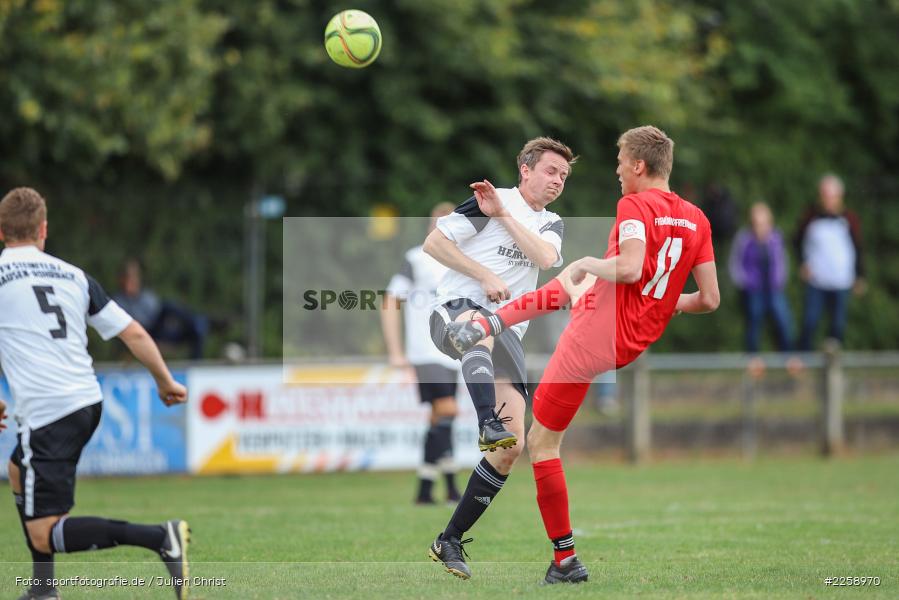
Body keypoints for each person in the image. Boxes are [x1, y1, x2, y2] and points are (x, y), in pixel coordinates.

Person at [448, 126, 720, 583]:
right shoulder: (698, 218)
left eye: (619, 162)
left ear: (638, 165)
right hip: (631, 342)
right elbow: (709, 299)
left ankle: (566, 560)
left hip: (595, 338)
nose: (616, 171)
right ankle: (487, 323)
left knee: (540, 444)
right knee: (571, 288)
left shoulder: (634, 203)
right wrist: (661, 301)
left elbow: (631, 267)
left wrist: (588, 262)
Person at [0, 188, 190, 600]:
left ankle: (161, 537)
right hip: (86, 401)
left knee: (45, 533)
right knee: (18, 470)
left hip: (50, 413)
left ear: (1, 232)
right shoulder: (74, 276)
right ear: (43, 229)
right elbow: (134, 331)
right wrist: (165, 380)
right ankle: (43, 588)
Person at [424, 137, 576, 579]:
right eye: (551, 171)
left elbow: (546, 257)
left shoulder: (548, 221)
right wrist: (484, 273)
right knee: (477, 324)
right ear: (525, 169)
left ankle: (448, 540)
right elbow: (434, 244)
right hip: (455, 311)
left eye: (563, 176)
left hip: (506, 329)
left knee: (513, 447)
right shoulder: (488, 199)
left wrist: (504, 216)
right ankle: (485, 419)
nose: (557, 181)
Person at [381, 202, 462, 505]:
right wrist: (396, 351)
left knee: (440, 416)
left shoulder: (461, 261)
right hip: (425, 350)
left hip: (452, 352)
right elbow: (390, 301)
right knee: (449, 409)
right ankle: (448, 487)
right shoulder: (416, 258)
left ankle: (428, 489)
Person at [795, 174, 865, 351]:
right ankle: (804, 363)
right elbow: (796, 241)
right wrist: (802, 264)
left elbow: (858, 248)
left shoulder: (849, 219)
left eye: (832, 196)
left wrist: (860, 275)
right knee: (810, 323)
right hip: (816, 281)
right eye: (825, 195)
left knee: (837, 325)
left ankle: (833, 370)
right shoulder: (811, 216)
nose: (828, 200)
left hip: (841, 281)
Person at [729, 202, 794, 352]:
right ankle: (753, 359)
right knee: (753, 324)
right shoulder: (744, 239)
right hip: (753, 290)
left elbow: (783, 261)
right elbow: (735, 264)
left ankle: (788, 357)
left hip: (774, 289)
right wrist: (744, 282)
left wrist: (780, 280)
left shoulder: (776, 239)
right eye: (757, 223)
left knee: (784, 322)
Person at [113, 258, 208, 360]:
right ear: (122, 280)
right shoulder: (118, 301)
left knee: (195, 325)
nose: (133, 282)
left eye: (135, 278)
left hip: (159, 330)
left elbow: (157, 312)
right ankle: (205, 320)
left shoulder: (145, 295)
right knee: (169, 306)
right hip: (143, 331)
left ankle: (200, 322)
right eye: (129, 278)